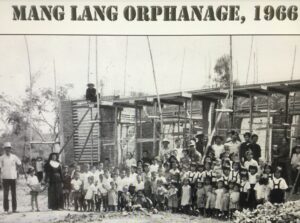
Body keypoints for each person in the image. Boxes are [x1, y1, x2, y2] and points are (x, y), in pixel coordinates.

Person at [0, 142, 22, 213]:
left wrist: (17, 170)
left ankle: (14, 209)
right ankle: (6, 209)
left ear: (10, 149)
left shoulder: (14, 157)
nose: (7, 150)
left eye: (9, 148)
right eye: (6, 148)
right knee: (5, 194)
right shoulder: (1, 158)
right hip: (5, 177)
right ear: (4, 149)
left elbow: (19, 163)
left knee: (14, 194)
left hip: (13, 177)